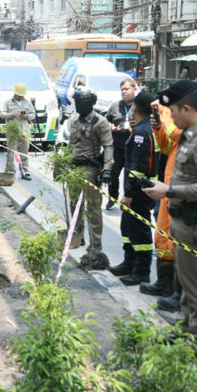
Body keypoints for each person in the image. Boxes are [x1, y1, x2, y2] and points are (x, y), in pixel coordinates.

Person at [143, 80, 197, 359]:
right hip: (182, 221)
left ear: (187, 108)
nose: (171, 117)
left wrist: (171, 190)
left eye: (174, 112)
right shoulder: (190, 133)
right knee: (186, 283)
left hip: (195, 223)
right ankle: (185, 329)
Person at [108, 90, 158, 285]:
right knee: (127, 227)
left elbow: (137, 168)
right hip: (138, 189)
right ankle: (129, 263)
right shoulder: (145, 128)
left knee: (139, 230)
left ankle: (141, 271)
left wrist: (129, 194)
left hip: (139, 191)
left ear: (135, 108)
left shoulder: (141, 133)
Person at [140, 99, 183, 303]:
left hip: (178, 195)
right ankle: (164, 283)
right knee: (162, 238)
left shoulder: (190, 131)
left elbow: (174, 133)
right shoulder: (180, 131)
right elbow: (166, 146)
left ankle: (176, 293)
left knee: (175, 244)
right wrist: (158, 127)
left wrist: (165, 112)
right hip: (168, 191)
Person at [67, 86, 113, 259]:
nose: (76, 105)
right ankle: (78, 236)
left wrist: (107, 169)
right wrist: (62, 162)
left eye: (79, 102)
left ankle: (96, 243)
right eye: (75, 101)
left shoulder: (100, 122)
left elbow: (108, 146)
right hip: (74, 167)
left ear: (87, 102)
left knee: (92, 206)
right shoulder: (75, 119)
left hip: (90, 169)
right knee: (74, 204)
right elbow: (71, 144)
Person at [104, 79, 137, 209]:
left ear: (134, 89)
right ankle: (112, 197)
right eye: (122, 89)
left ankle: (127, 200)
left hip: (132, 147)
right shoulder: (115, 106)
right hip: (117, 145)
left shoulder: (138, 106)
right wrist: (111, 126)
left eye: (127, 89)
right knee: (113, 174)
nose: (124, 92)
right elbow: (106, 120)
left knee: (129, 177)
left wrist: (134, 128)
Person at [0, 82, 36, 185]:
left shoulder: (28, 103)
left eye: (22, 95)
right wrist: (12, 114)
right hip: (12, 132)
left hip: (24, 131)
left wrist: (26, 116)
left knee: (24, 152)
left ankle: (25, 171)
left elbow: (33, 114)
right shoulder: (7, 103)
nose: (21, 96)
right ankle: (10, 171)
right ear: (15, 93)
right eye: (19, 95)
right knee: (11, 152)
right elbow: (2, 114)